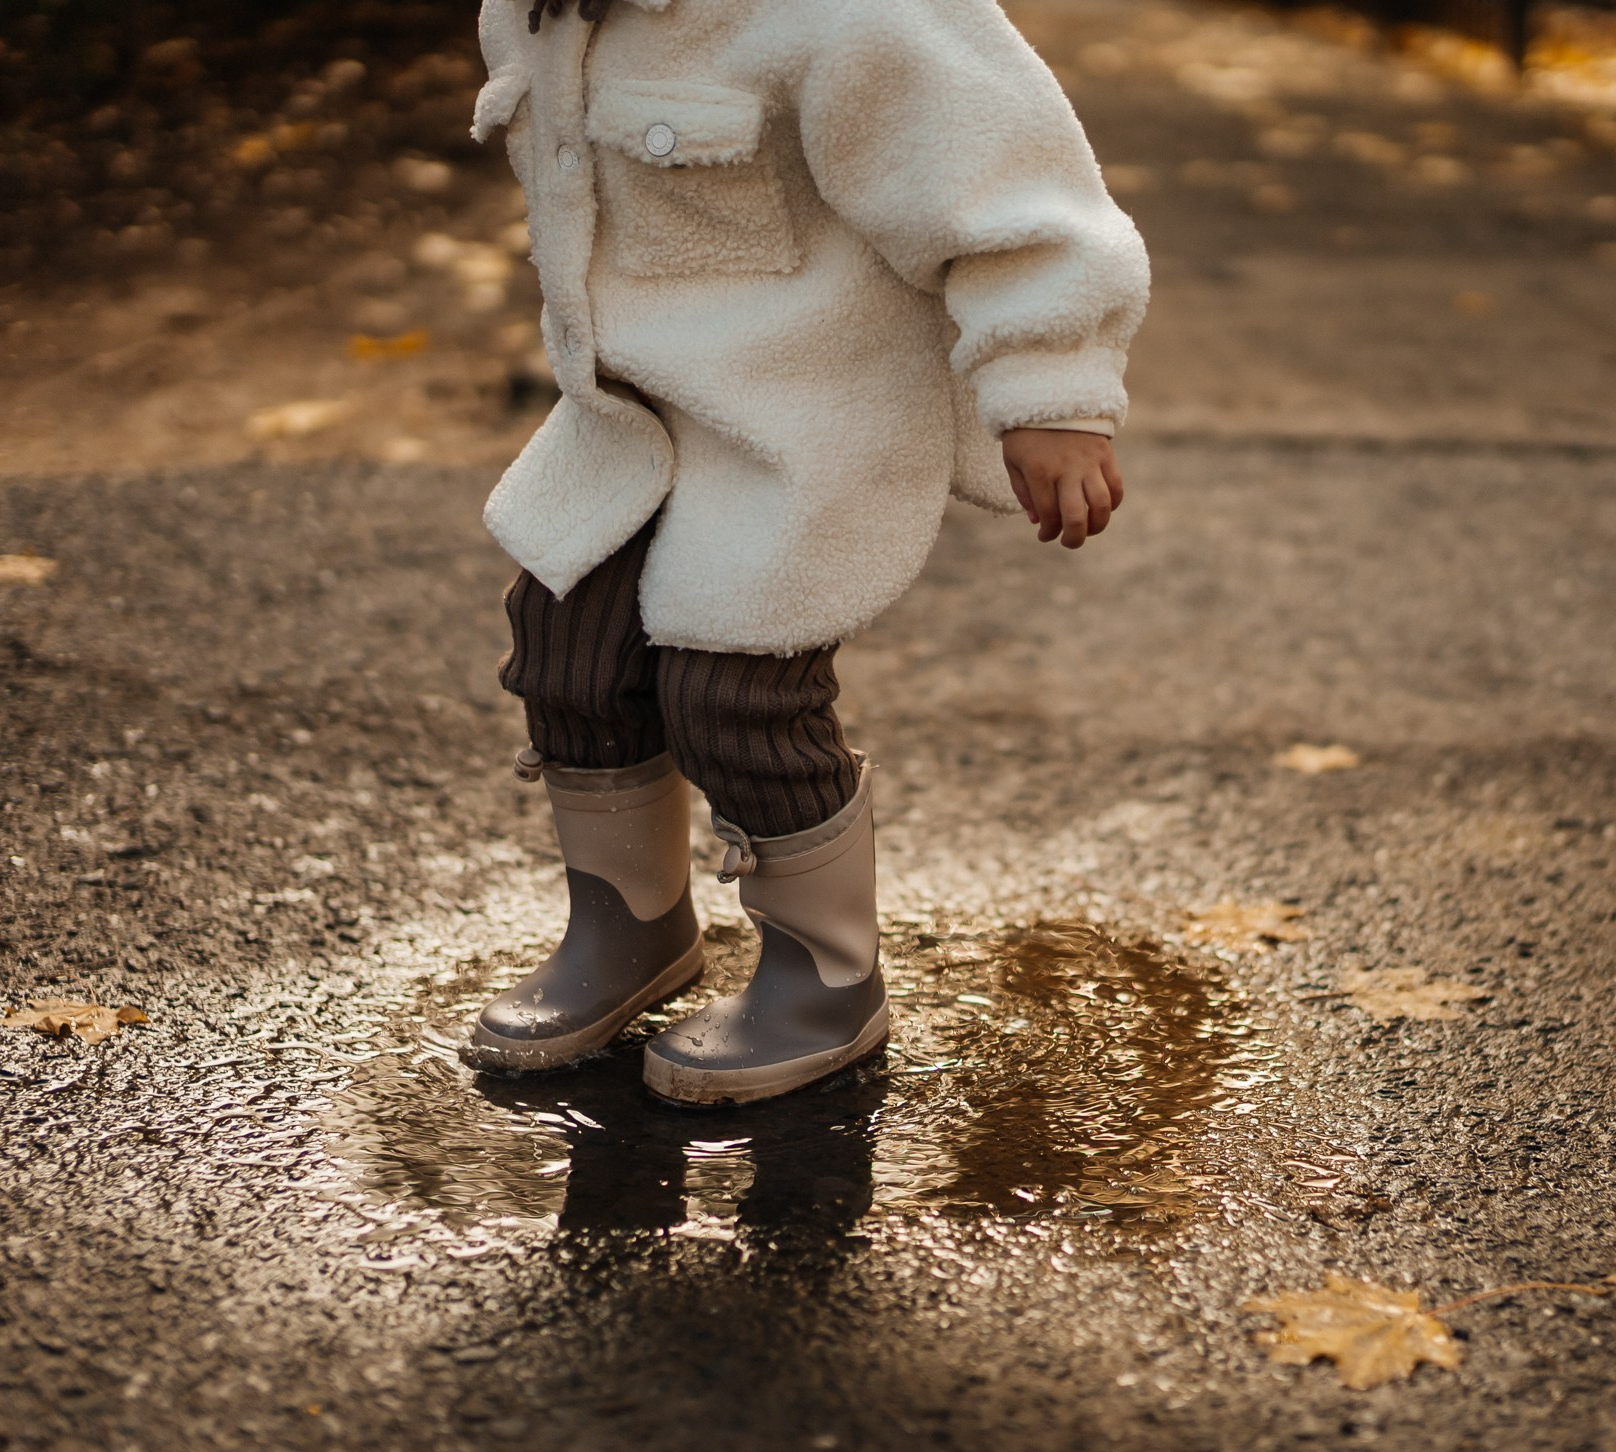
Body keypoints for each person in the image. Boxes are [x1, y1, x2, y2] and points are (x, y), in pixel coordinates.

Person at [457, 0, 1148, 1105]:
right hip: (630, 411)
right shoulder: (545, 9)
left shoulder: (849, 15)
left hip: (811, 413)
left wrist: (1051, 383)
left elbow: (1008, 182)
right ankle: (627, 927)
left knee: (733, 692)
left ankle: (825, 975)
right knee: (565, 651)